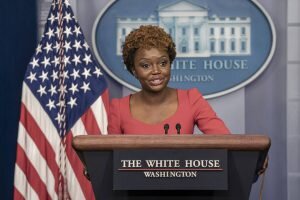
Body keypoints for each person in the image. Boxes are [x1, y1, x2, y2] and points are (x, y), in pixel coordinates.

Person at [108, 25, 230, 135]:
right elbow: (110, 157)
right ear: (134, 70)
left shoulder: (191, 99)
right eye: (146, 65)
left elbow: (226, 142)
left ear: (170, 63)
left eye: (162, 63)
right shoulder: (119, 108)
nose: (156, 71)